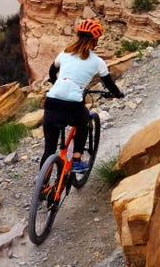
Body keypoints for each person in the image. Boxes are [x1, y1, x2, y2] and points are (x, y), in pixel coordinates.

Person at [41, 18, 124, 172]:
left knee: (48, 150)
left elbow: (52, 72)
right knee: (84, 121)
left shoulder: (65, 53)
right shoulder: (98, 61)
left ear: (78, 36)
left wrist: (57, 84)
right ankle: (77, 160)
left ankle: (42, 188)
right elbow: (109, 83)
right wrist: (118, 94)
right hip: (72, 106)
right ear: (95, 40)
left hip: (51, 102)